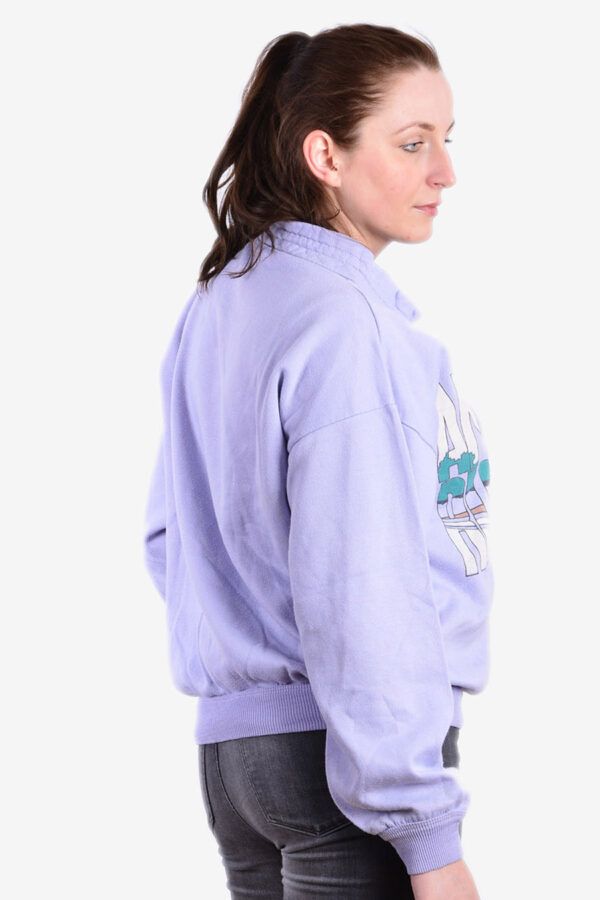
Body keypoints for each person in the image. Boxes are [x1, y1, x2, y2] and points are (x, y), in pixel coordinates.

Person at [143, 22, 493, 900]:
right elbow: (362, 579)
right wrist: (424, 832)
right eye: (412, 144)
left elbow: (170, 535)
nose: (444, 173)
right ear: (325, 155)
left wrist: (248, 646)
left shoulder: (221, 300)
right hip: (346, 764)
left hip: (237, 760)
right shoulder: (345, 323)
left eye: (446, 140)